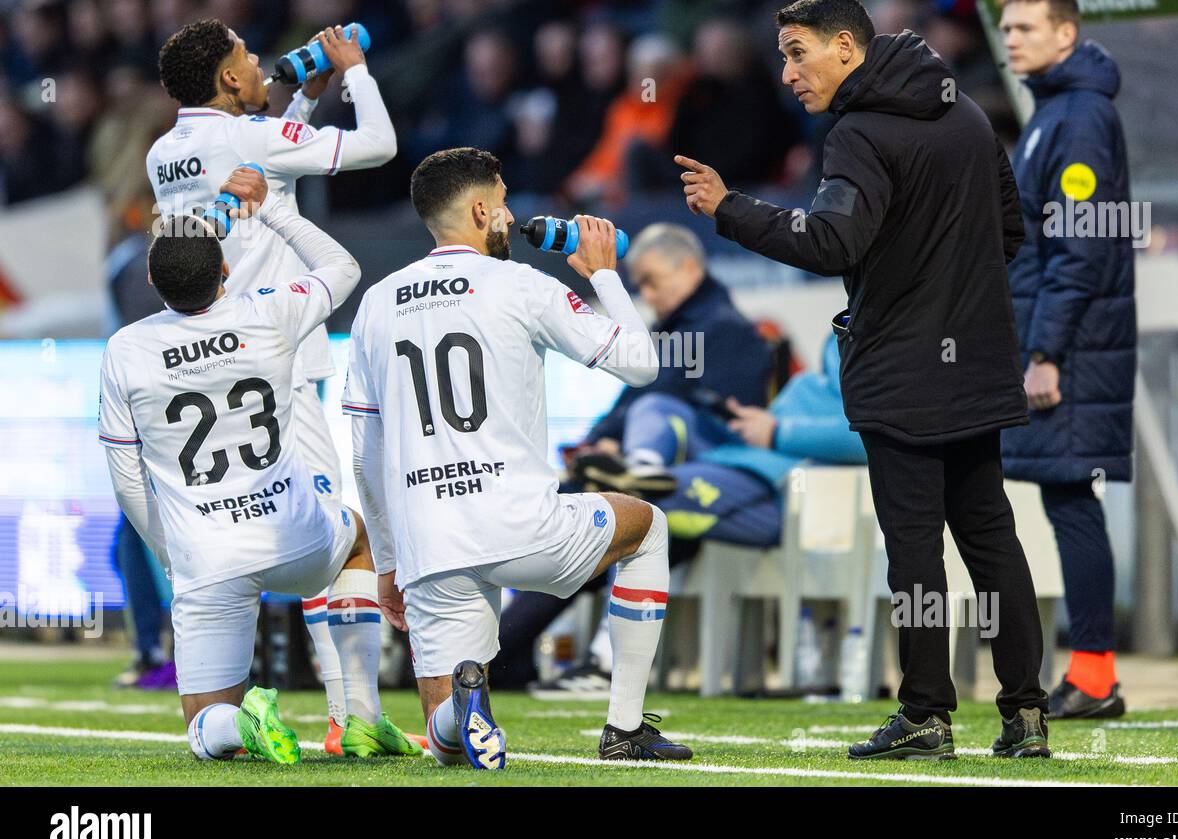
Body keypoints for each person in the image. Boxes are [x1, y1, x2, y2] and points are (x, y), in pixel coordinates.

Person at [675, 0, 1051, 760]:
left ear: (846, 48)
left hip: (902, 371)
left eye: (797, 52)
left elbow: (832, 243)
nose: (786, 73)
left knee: (914, 547)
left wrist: (730, 208)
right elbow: (1011, 231)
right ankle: (1025, 717)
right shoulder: (967, 112)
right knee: (991, 539)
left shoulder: (857, 133)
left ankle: (925, 715)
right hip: (977, 361)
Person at [344, 147, 692, 768]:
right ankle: (626, 727)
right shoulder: (524, 284)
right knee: (648, 528)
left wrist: (389, 560)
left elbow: (366, 451)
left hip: (430, 539)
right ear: (481, 210)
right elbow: (640, 366)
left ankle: (463, 706)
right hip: (523, 525)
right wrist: (603, 272)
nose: (510, 216)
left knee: (444, 743)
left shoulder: (377, 302)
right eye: (503, 203)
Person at [98, 166, 418, 763]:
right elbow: (344, 268)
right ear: (223, 268)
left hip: (208, 559)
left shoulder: (126, 350)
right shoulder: (268, 313)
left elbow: (126, 479)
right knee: (359, 539)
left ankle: (244, 723)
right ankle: (360, 717)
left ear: (150, 278)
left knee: (204, 730)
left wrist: (172, 552)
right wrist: (272, 210)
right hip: (296, 540)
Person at [148, 19, 403, 754]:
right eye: (248, 58)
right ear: (230, 80)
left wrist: (300, 109)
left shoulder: (165, 151)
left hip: (211, 356)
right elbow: (379, 145)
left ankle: (336, 709)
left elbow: (253, 194)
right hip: (277, 354)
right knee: (331, 529)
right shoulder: (248, 138)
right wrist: (353, 70)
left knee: (280, 521)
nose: (261, 63)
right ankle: (351, 714)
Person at [499, 332, 865, 698]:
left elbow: (865, 433)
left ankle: (605, 664)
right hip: (737, 460)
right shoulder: (830, 355)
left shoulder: (875, 348)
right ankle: (643, 468)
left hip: (777, 486)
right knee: (656, 404)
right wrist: (760, 422)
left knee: (640, 511)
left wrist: (778, 431)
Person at [997, 0, 1135, 720]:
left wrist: (1044, 351)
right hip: (1067, 339)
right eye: (1006, 26)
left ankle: (1094, 675)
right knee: (1066, 501)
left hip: (1073, 347)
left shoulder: (1077, 119)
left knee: (1072, 501)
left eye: (1025, 26)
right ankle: (1088, 672)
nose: (1011, 37)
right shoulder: (1055, 112)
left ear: (1065, 36)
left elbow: (1079, 248)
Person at [570, 223, 773, 495]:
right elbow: (632, 399)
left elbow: (723, 421)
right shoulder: (667, 332)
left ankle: (637, 468)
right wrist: (594, 441)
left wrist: (615, 442)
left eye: (651, 281)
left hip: (711, 469)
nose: (646, 295)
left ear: (689, 268)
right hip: (659, 459)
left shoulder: (728, 330)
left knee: (656, 408)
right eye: (640, 285)